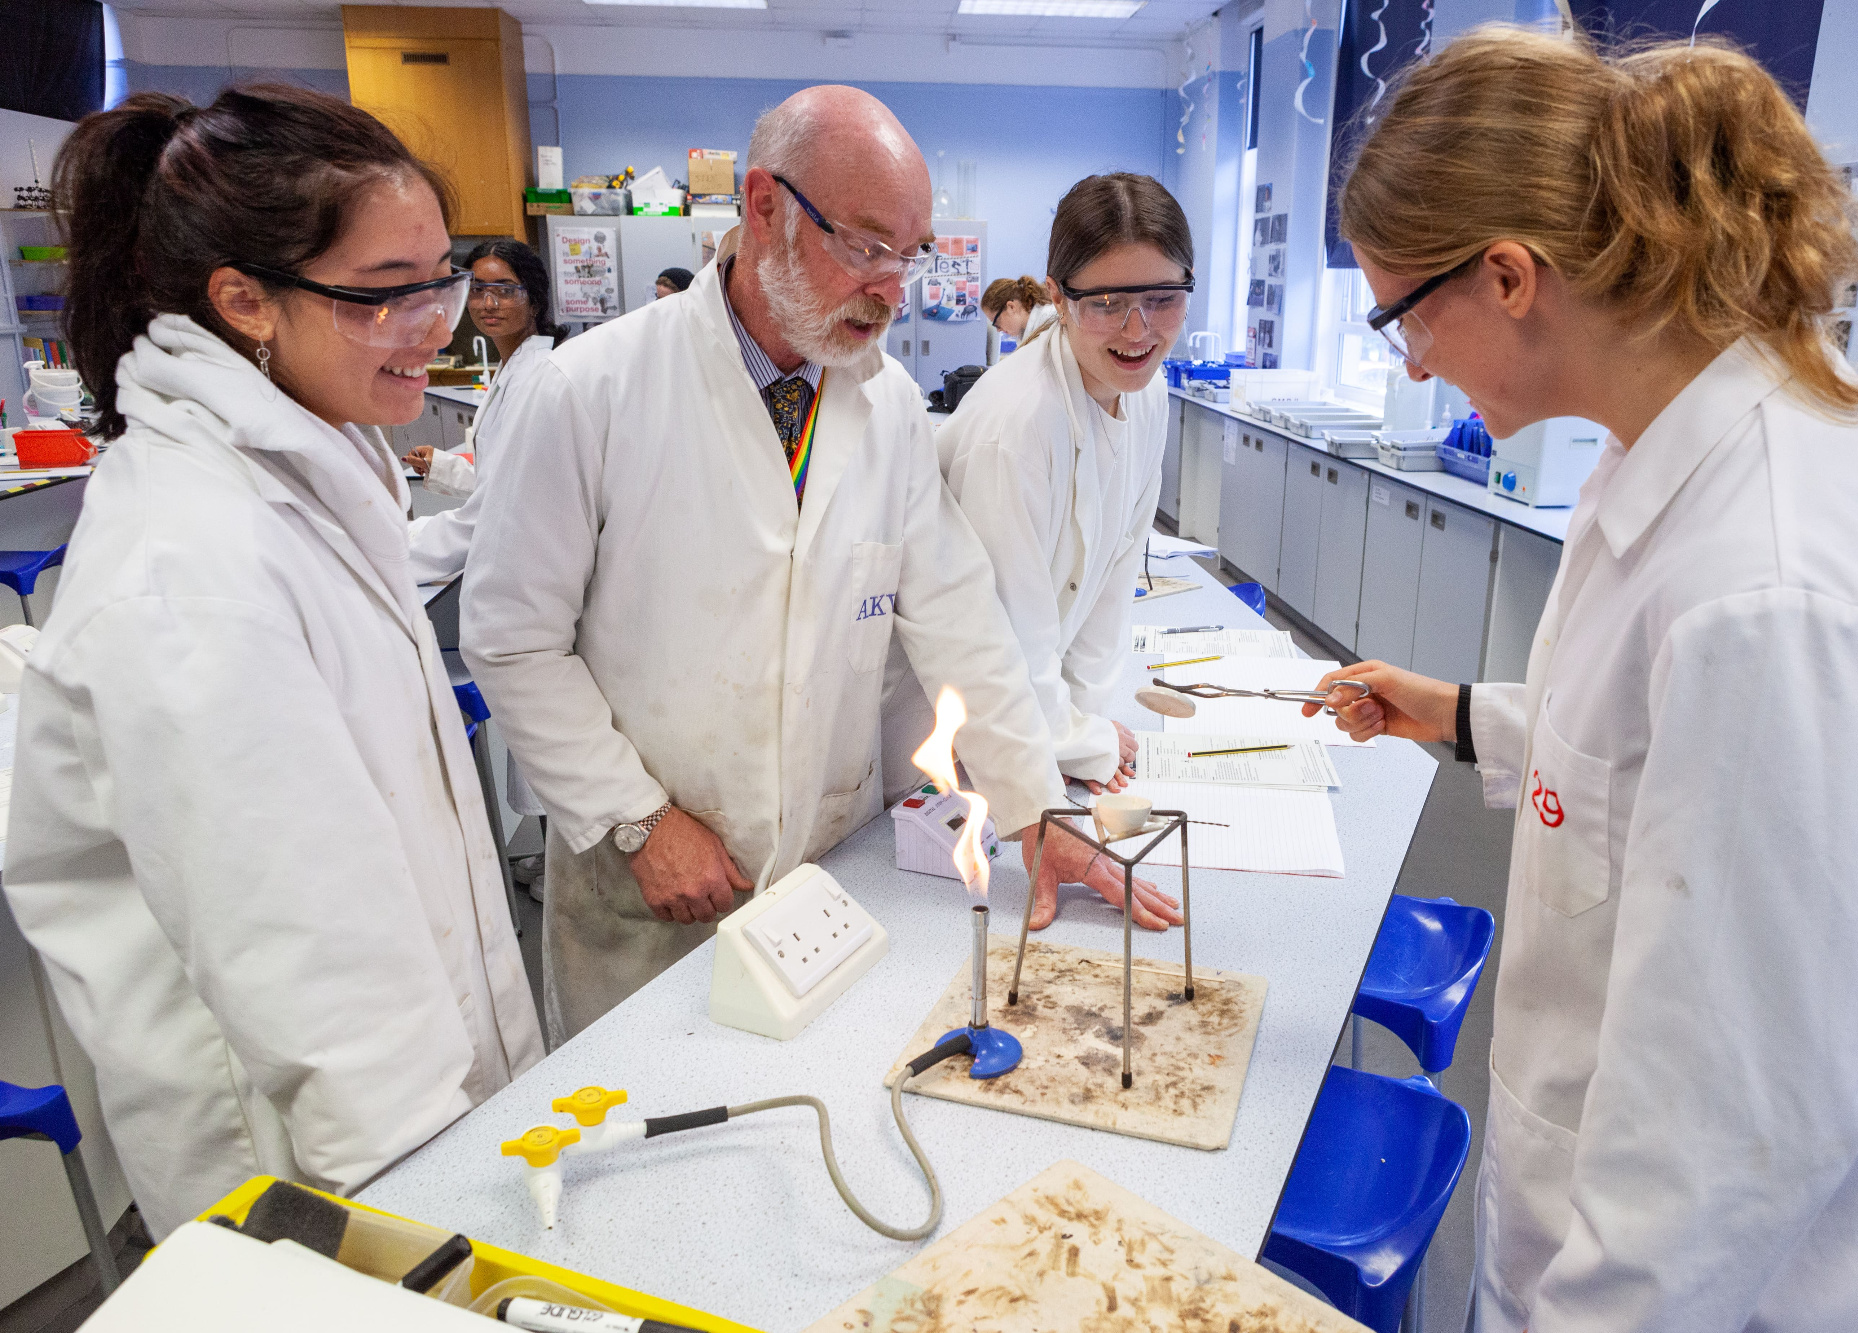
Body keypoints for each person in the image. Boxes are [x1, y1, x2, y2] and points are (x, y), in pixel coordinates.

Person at [1316, 28, 1858, 1331]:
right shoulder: (1677, 452)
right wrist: (1469, 718)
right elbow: (1663, 766)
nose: (1407, 364)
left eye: (1401, 316)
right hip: (1581, 1230)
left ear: (1508, 275)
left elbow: (1728, 1143)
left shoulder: (1774, 587)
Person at [462, 85, 1153, 1043]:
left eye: (908, 256)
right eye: (866, 246)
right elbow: (509, 641)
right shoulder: (593, 390)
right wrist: (637, 821)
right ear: (763, 207)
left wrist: (1036, 811)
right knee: (647, 1153)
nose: (891, 289)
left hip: (826, 880)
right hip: (647, 885)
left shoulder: (891, 407)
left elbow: (961, 619)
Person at [3, 86, 543, 1235]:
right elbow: (316, 978)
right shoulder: (190, 565)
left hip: (423, 1119)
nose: (437, 324)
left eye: (442, 276)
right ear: (243, 299)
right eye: (385, 294)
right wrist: (438, 1240)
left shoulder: (307, 474)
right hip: (329, 1171)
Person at [897, 174, 1194, 932]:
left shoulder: (1147, 389)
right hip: (963, 733)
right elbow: (1005, 633)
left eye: (1162, 297)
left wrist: (1085, 734)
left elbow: (1113, 575)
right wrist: (1070, 746)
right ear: (1059, 298)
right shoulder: (1016, 425)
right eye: (1105, 303)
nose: (1138, 329)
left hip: (1038, 738)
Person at [405, 238, 566, 581]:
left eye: (505, 291)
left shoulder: (536, 379)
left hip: (532, 566)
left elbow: (500, 508)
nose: (488, 303)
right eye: (477, 290)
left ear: (534, 300)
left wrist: (395, 562)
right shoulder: (514, 367)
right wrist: (445, 468)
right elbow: (504, 481)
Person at [980, 274, 1057, 349]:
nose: (998, 330)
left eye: (996, 323)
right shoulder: (1027, 331)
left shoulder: (1049, 320)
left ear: (1011, 307)